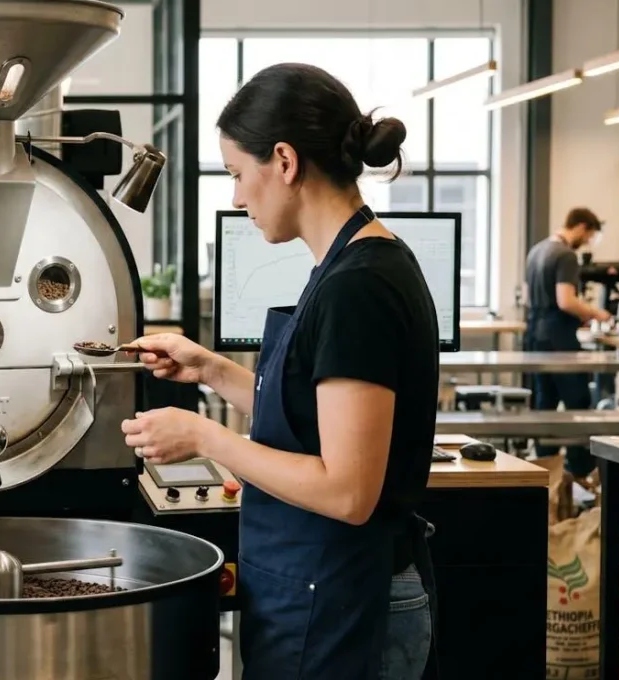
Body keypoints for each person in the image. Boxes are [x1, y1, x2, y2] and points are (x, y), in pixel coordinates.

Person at [121, 63, 440, 680]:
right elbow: (308, 417)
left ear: (286, 162)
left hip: (345, 601)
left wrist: (206, 439)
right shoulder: (350, 267)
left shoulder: (360, 288)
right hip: (321, 591)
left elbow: (348, 492)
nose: (237, 197)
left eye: (239, 174)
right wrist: (210, 368)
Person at [523, 208, 612, 484]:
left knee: (545, 404)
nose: (586, 241)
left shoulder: (537, 251)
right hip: (559, 339)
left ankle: (545, 475)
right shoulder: (565, 255)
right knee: (578, 403)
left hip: (535, 336)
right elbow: (566, 300)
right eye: (589, 235)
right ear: (582, 227)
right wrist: (596, 313)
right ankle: (580, 475)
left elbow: (531, 297)